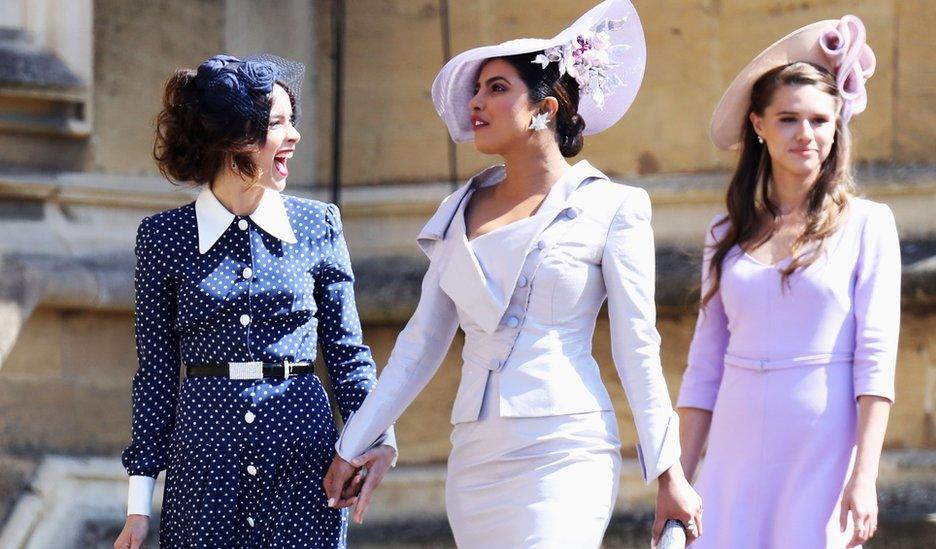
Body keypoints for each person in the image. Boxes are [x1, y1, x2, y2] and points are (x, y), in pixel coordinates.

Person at [323, 1, 701, 547]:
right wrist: (352, 444)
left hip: (565, 447)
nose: (476, 102)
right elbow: (419, 345)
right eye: (476, 91)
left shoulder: (614, 206)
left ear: (543, 108)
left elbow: (637, 346)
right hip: (474, 457)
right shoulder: (457, 209)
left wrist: (670, 474)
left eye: (496, 88)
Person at [114, 53, 394, 549]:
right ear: (233, 137)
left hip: (303, 459)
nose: (295, 136)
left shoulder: (318, 224)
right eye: (277, 124)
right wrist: (138, 508)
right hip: (203, 465)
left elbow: (349, 354)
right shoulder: (162, 237)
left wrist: (376, 441)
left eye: (293, 121)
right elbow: (155, 375)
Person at [676, 15, 899, 548]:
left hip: (821, 447)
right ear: (758, 125)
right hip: (734, 446)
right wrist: (678, 481)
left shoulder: (870, 225)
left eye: (820, 120)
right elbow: (704, 363)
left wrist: (863, 477)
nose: (806, 135)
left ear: (837, 125)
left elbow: (876, 360)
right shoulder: (725, 231)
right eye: (789, 119)